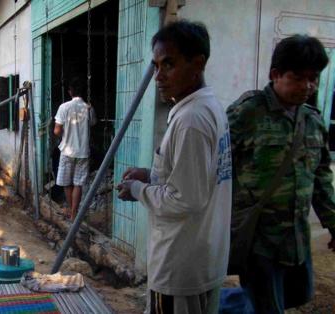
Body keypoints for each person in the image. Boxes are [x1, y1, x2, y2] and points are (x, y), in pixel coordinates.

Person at [117, 20, 232, 314]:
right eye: (156, 65)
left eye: (169, 64)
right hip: (203, 260)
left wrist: (137, 189)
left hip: (179, 265)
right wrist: (152, 174)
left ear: (198, 63)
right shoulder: (209, 107)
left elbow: (185, 199)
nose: (159, 76)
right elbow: (195, 178)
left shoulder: (191, 119)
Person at [227, 35, 335, 313]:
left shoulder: (312, 120)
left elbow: (321, 177)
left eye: (314, 79)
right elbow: (216, 166)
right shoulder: (248, 112)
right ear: (275, 74)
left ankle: (227, 306)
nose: (308, 86)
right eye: (299, 77)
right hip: (258, 239)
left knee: (298, 295)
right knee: (268, 306)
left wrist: (333, 223)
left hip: (296, 237)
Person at [54, 78, 97, 221]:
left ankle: (71, 211)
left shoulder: (64, 107)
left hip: (67, 151)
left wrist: (63, 134)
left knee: (67, 183)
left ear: (70, 91)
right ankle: (74, 213)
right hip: (83, 152)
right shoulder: (88, 108)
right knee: (78, 184)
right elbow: (93, 124)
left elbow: (56, 130)